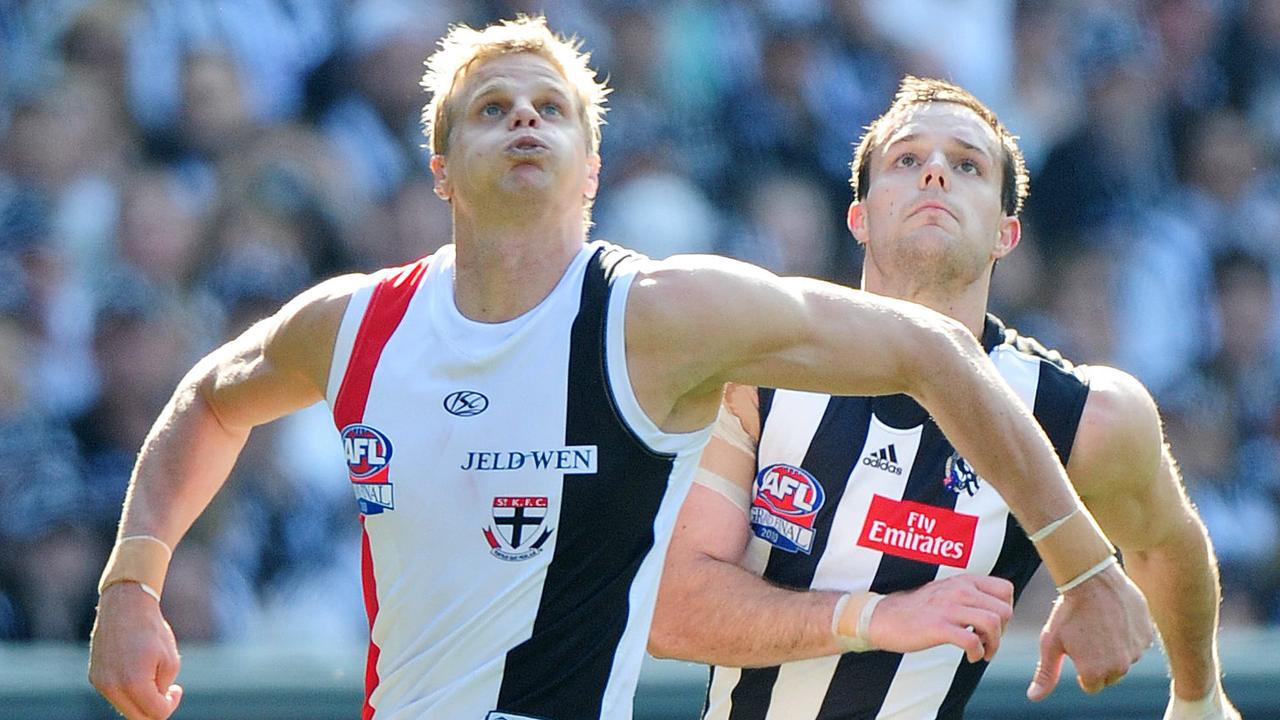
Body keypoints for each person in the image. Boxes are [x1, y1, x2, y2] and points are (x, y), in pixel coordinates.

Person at [87, 20, 1150, 720]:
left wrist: (1084, 564)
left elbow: (930, 350)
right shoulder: (354, 323)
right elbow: (206, 402)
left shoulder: (656, 313)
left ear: (591, 168)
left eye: (551, 108)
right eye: (492, 107)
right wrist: (133, 578)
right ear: (439, 165)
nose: (523, 120)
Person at [649, 76, 1239, 720]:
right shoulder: (760, 369)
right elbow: (675, 611)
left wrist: (1198, 697)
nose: (934, 173)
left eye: (967, 164)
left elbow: (1164, 544)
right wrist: (877, 618)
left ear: (1005, 234)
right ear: (860, 218)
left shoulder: (1080, 415)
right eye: (906, 159)